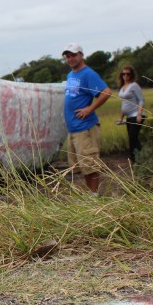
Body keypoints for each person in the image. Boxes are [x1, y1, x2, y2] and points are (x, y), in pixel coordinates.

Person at [61, 43, 112, 194]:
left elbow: (106, 92)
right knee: (83, 166)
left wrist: (89, 109)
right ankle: (91, 195)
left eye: (73, 55)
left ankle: (94, 196)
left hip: (85, 127)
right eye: (68, 56)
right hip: (74, 128)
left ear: (81, 55)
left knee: (90, 164)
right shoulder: (70, 75)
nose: (70, 59)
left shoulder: (88, 74)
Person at [116, 65, 145, 162]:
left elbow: (141, 100)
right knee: (132, 138)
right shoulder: (122, 87)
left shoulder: (134, 85)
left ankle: (137, 159)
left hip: (136, 115)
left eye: (128, 74)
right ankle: (136, 159)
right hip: (128, 116)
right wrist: (121, 118)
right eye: (123, 74)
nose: (125, 76)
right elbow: (124, 104)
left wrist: (139, 114)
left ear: (131, 75)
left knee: (133, 137)